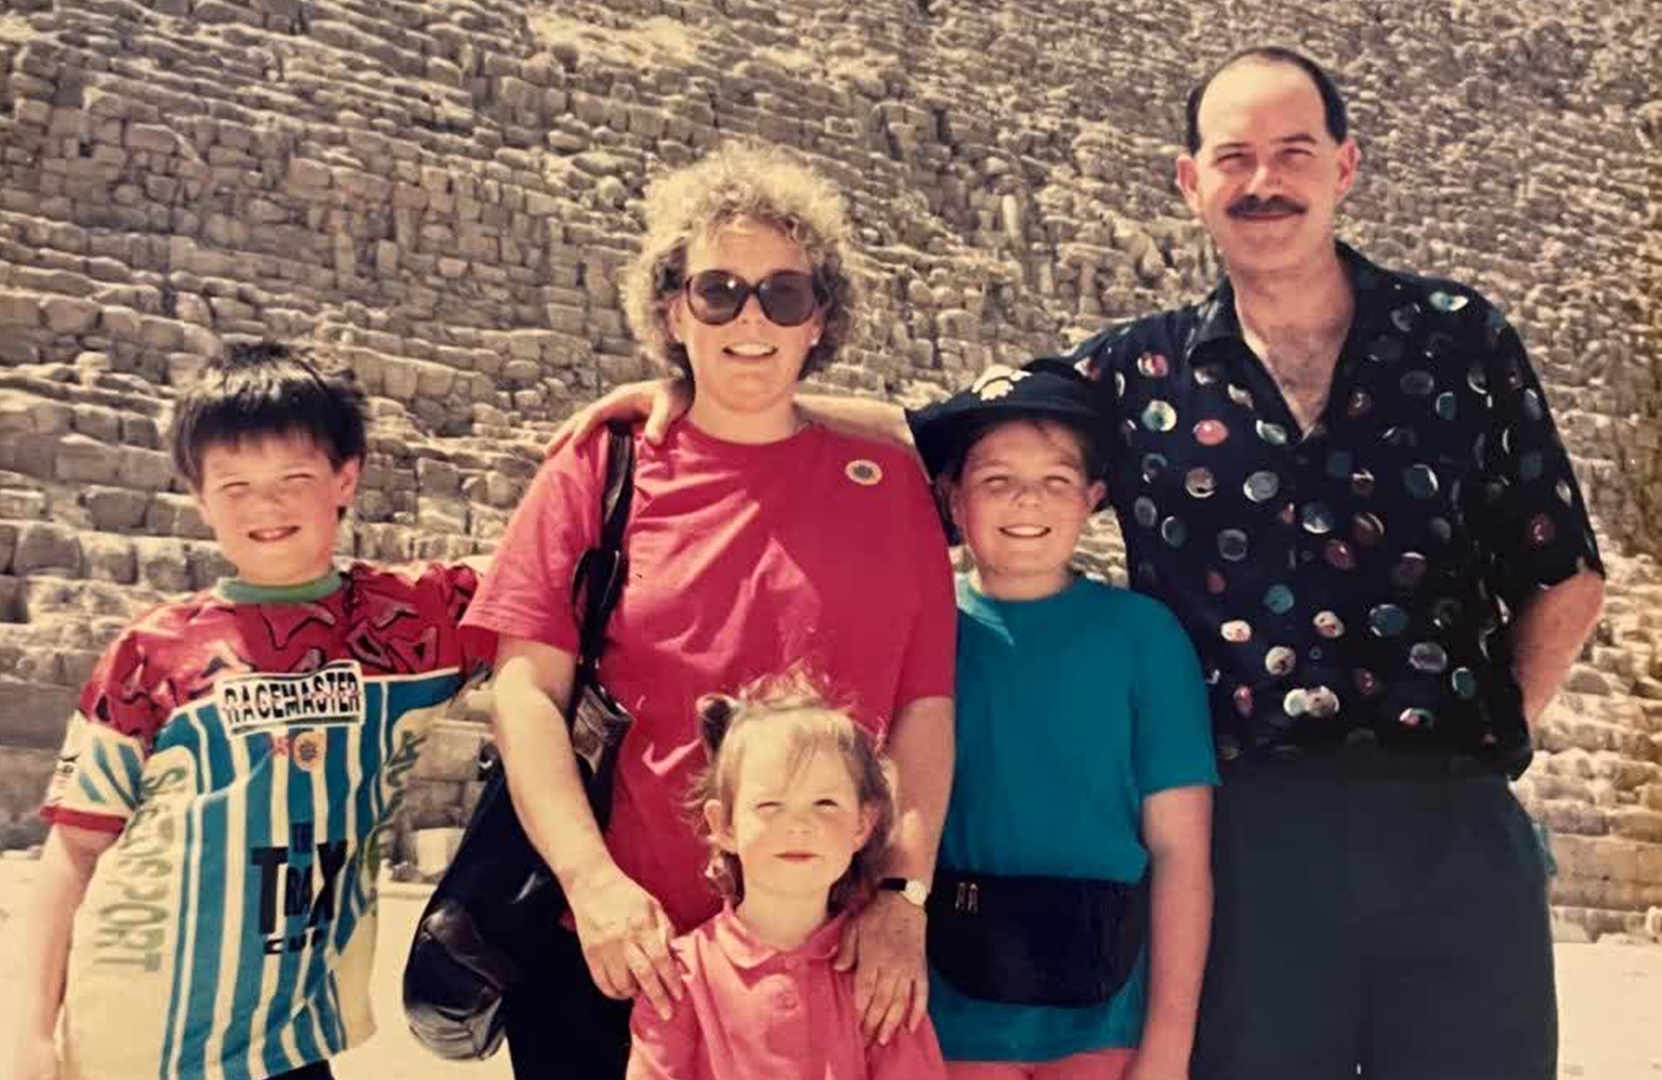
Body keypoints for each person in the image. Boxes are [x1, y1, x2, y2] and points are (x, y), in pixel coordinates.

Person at [557, 45, 1607, 1080]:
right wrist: (721, 391)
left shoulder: (1459, 339)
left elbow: (1563, 569)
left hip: (1451, 824)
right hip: (1251, 831)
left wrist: (1485, 745)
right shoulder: (1138, 373)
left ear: (1346, 164)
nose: (1265, 181)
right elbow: (955, 434)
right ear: (1189, 181)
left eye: (1294, 151)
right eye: (1234, 157)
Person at [462, 143, 957, 1080]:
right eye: (719, 291)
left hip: (823, 963)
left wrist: (903, 894)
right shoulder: (600, 467)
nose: (751, 318)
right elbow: (525, 693)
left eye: (784, 294)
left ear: (822, 320)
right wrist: (591, 882)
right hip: (618, 948)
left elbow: (923, 708)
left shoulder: (891, 489)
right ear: (671, 309)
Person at [12, 341, 495, 1080]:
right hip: (133, 1042)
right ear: (199, 497)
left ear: (346, 476)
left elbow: (562, 545)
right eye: (234, 485)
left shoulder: (416, 623)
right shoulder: (150, 652)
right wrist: (32, 1035)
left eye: (293, 479)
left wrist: (645, 407)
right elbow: (74, 849)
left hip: (290, 1043)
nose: (265, 506)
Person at [909, 364, 1216, 1080]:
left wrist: (1168, 1046)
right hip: (948, 1014)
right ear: (952, 498)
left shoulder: (1144, 638)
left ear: (1093, 498)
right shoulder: (922, 625)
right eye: (996, 480)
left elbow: (1180, 851)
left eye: (1056, 479)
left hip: (1103, 1016)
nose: (1027, 500)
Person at [626, 680, 947, 1079]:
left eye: (825, 803)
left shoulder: (880, 980)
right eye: (770, 804)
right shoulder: (680, 978)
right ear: (724, 825)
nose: (799, 825)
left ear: (862, 825)